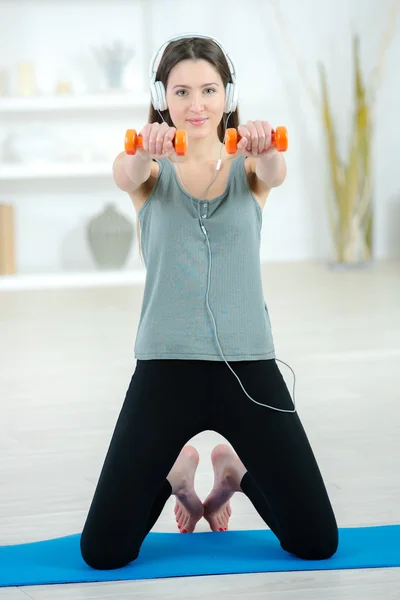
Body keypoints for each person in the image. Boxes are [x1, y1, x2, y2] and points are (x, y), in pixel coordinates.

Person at [80, 34, 338, 571]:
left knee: (316, 542)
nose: (196, 105)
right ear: (163, 98)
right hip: (165, 365)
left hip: (249, 365)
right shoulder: (148, 168)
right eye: (181, 92)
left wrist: (266, 147)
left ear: (227, 94)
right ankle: (177, 473)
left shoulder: (249, 165)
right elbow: (126, 174)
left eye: (208, 89)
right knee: (103, 553)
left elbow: (274, 173)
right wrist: (137, 151)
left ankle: (233, 473)